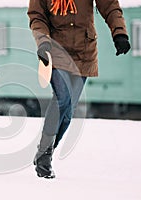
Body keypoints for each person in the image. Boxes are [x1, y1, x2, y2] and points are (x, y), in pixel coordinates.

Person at [27, 0, 130, 179]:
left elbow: (110, 5)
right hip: (56, 50)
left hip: (84, 52)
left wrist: (119, 32)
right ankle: (44, 154)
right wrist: (43, 42)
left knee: (68, 110)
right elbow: (37, 16)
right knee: (62, 97)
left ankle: (47, 150)